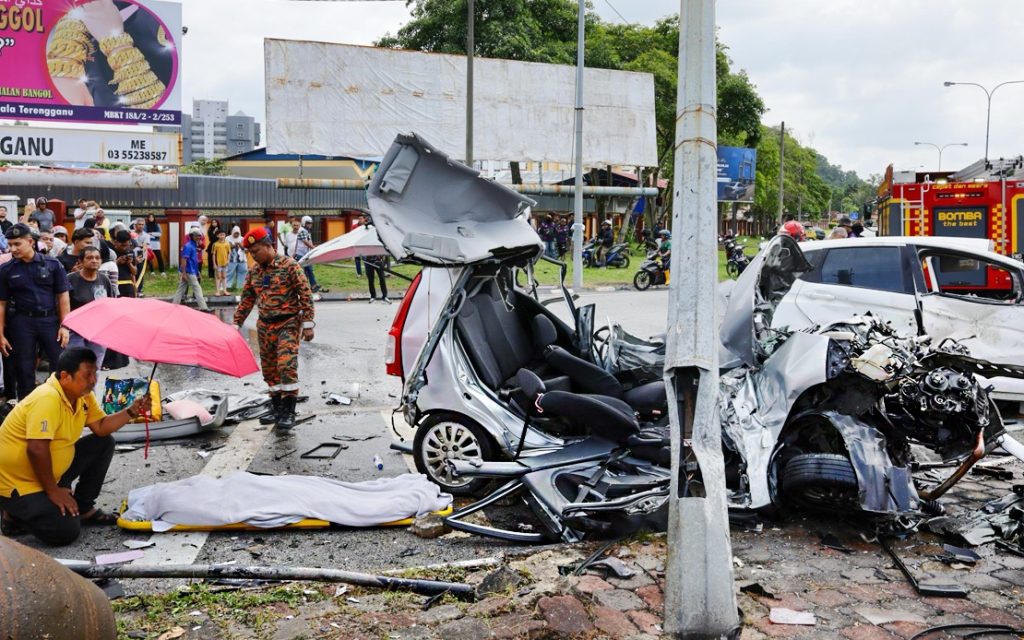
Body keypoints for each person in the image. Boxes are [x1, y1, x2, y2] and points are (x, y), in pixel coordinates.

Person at [0, 348, 150, 545]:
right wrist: (53, 491)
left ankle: (84, 507)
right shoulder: (48, 397)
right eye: (87, 375)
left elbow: (101, 427)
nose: (94, 380)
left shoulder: (82, 396)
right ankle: (12, 514)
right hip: (18, 483)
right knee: (65, 531)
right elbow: (36, 449)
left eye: (95, 373)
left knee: (103, 443)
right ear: (65, 376)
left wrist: (131, 411)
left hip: (48, 472)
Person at [233, 227, 314, 429]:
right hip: (265, 325)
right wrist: (236, 325)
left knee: (286, 365)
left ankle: (288, 412)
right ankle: (276, 408)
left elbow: (305, 295)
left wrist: (308, 325)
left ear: (268, 246)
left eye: (255, 251)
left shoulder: (290, 266)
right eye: (250, 253)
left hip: (288, 323)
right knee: (270, 370)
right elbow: (247, 300)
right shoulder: (254, 271)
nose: (253, 256)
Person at [0, 224, 71, 400]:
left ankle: (59, 403)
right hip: (22, 323)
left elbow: (63, 297)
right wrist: (0, 334)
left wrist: (65, 326)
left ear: (30, 242)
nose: (13, 249)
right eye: (10, 245)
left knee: (60, 364)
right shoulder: (6, 270)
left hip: (50, 321)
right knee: (24, 369)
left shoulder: (53, 264)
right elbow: (1, 304)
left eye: (17, 244)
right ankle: (28, 409)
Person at [66, 247, 116, 367]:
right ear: (80, 261)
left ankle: (91, 386)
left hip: (98, 330)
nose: (94, 260)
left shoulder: (104, 280)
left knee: (95, 365)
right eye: (89, 258)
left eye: (97, 258)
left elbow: (110, 303)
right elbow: (62, 304)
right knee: (76, 365)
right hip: (75, 330)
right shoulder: (70, 279)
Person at [171, 228, 210, 312]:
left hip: (191, 270)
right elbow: (184, 259)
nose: (198, 237)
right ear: (191, 236)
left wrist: (197, 272)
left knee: (181, 288)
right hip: (188, 271)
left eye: (199, 236)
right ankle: (203, 307)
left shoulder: (193, 245)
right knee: (197, 288)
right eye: (196, 236)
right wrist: (184, 273)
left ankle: (174, 305)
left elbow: (193, 261)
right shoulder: (188, 246)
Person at [292, 215, 319, 292]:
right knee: (304, 271)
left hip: (305, 254)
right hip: (301, 255)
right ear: (304, 223)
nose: (309, 225)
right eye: (308, 223)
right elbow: (305, 242)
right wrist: (314, 248)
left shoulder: (306, 231)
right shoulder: (302, 230)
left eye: (310, 223)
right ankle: (311, 286)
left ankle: (308, 286)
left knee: (307, 270)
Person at [226, 226, 248, 292]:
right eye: (235, 233)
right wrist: (234, 245)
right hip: (232, 259)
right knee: (229, 273)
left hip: (242, 260)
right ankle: (227, 286)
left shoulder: (243, 239)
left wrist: (240, 245)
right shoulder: (228, 238)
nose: (236, 235)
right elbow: (227, 248)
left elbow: (246, 250)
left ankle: (240, 286)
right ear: (232, 232)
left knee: (243, 272)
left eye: (237, 233)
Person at [213, 229, 230, 296]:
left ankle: (225, 290)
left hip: (225, 263)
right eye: (221, 235)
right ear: (217, 236)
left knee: (224, 276)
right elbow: (214, 254)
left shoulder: (227, 243)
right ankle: (218, 291)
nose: (222, 236)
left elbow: (229, 253)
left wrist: (228, 260)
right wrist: (214, 264)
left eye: (223, 235)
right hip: (218, 263)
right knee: (218, 277)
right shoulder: (215, 244)